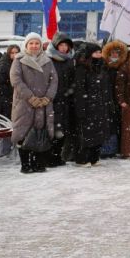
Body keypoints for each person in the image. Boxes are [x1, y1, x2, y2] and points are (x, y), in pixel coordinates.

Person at [10, 33, 59, 174]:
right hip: (24, 103)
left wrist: (47, 97)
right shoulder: (19, 60)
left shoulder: (47, 60)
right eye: (31, 43)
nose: (34, 46)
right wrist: (31, 98)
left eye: (37, 43)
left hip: (43, 103)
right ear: (26, 45)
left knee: (40, 133)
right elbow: (16, 81)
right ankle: (25, 164)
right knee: (23, 133)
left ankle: (38, 163)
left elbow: (54, 80)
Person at [72, 43, 111, 167]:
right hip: (88, 105)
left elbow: (106, 88)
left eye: (100, 52)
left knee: (99, 133)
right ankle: (82, 158)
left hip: (100, 105)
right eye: (96, 53)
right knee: (86, 134)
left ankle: (94, 157)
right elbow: (79, 89)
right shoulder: (82, 68)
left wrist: (108, 103)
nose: (98, 55)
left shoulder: (102, 67)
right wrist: (81, 108)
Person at [46, 32, 74, 167]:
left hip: (66, 100)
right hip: (53, 100)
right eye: (61, 45)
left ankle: (58, 156)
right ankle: (50, 157)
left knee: (63, 130)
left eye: (66, 45)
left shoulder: (69, 60)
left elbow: (72, 80)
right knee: (53, 129)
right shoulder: (49, 60)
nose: (63, 48)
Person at [0, 44, 19, 157]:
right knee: (7, 127)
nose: (14, 55)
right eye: (12, 52)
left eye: (16, 52)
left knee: (12, 126)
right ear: (8, 53)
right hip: (6, 101)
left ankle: (7, 151)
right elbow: (1, 84)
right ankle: (3, 151)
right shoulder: (3, 64)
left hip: (14, 100)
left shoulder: (17, 63)